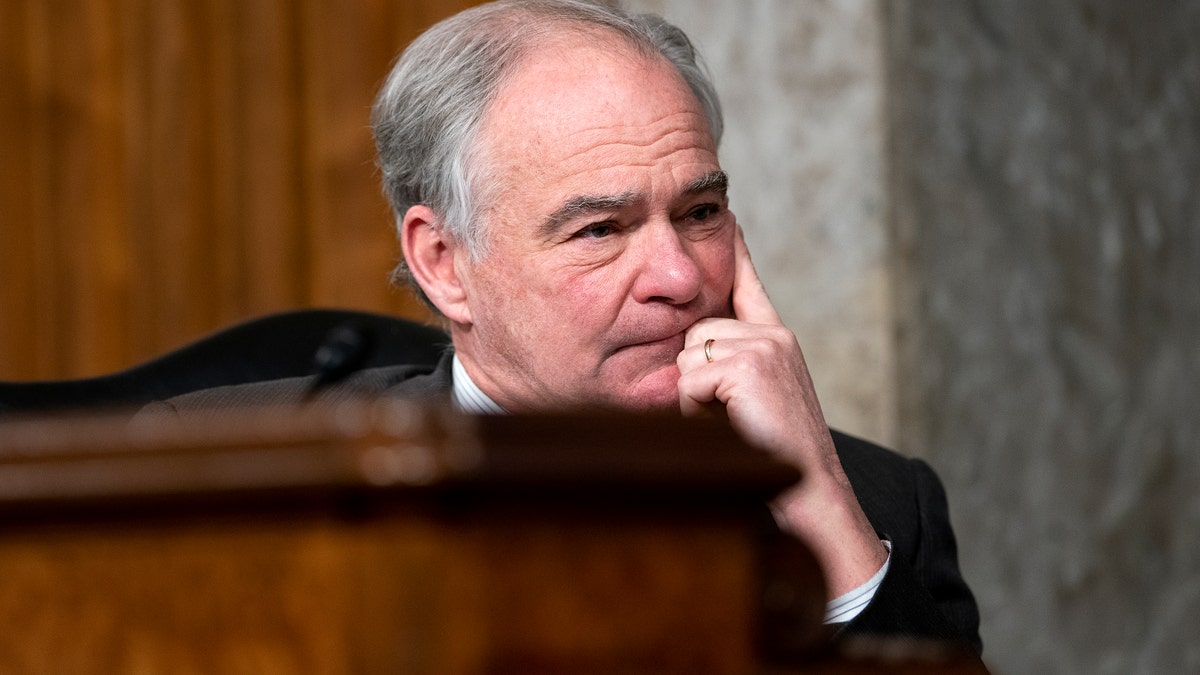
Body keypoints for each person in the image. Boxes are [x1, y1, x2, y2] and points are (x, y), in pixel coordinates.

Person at [156, 0, 980, 652]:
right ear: (444, 261)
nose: (681, 277)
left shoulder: (875, 506)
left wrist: (816, 505)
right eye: (600, 230)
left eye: (699, 211)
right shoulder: (219, 478)